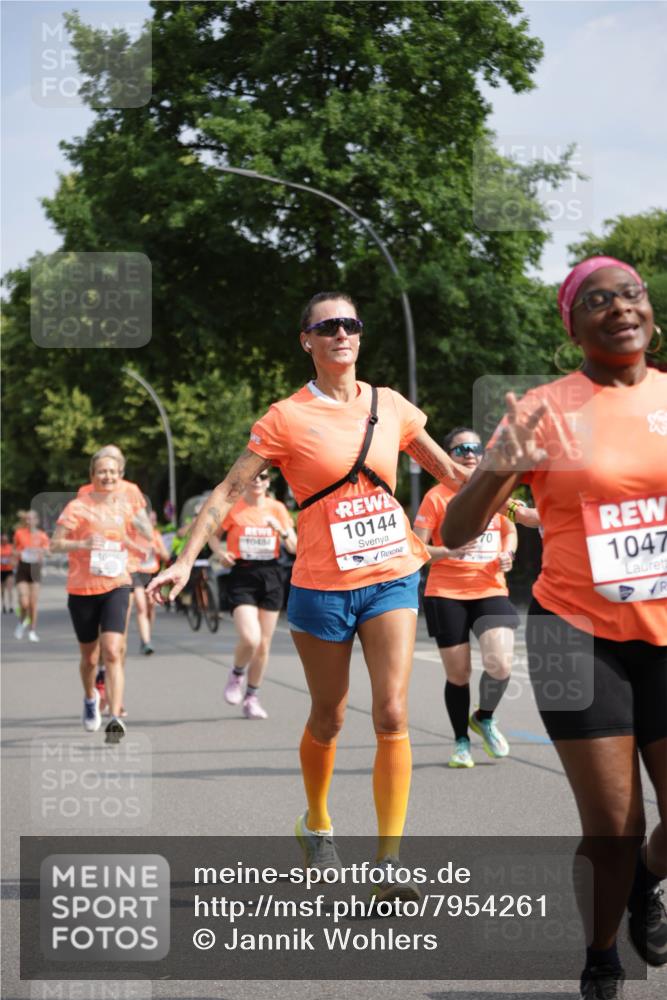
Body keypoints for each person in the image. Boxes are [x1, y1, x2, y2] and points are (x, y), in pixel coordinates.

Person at [148, 291, 470, 900]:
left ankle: (389, 864)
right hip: (322, 584)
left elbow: (453, 476)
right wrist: (185, 561)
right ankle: (317, 824)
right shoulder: (286, 417)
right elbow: (228, 490)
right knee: (330, 715)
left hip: (391, 573)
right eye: (328, 327)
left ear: (360, 335)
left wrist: (520, 504)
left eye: (350, 324)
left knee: (392, 712)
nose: (341, 333)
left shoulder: (391, 406)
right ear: (308, 341)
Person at [443, 257, 667, 998]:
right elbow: (456, 529)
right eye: (597, 301)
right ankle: (601, 958)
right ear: (573, 327)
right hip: (577, 635)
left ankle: (645, 880)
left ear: (649, 312)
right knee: (612, 827)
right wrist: (498, 465)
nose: (619, 307)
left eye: (630, 294)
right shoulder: (544, 411)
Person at [414, 427, 527, 768]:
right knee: (459, 674)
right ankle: (461, 741)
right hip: (446, 593)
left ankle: (484, 717)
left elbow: (510, 532)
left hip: (490, 587)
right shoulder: (436, 497)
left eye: (475, 448)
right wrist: (449, 551)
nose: (469, 454)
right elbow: (417, 548)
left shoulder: (495, 493)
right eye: (460, 449)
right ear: (447, 456)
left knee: (501, 664)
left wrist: (508, 553)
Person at [51, 448, 151, 743]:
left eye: (113, 472)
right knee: (89, 657)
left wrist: (140, 543)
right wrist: (82, 543)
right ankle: (90, 697)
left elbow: (138, 533)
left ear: (120, 475)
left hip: (117, 584)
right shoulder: (77, 507)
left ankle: (115, 717)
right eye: (102, 471)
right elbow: (55, 545)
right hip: (82, 588)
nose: (108, 476)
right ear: (92, 475)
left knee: (113, 650)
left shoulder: (126, 504)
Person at [211, 469, 297, 720]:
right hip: (242, 575)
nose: (258, 481)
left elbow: (295, 547)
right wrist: (220, 553)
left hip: (271, 575)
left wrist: (280, 530)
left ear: (269, 482)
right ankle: (237, 674)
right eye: (253, 477)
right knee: (251, 638)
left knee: (263, 644)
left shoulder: (277, 508)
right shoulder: (233, 508)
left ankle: (251, 697)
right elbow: (213, 537)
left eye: (263, 477)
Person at [78, 445, 150, 709]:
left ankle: (114, 696)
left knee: (117, 640)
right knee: (97, 638)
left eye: (116, 465)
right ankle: (100, 676)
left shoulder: (131, 491)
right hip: (94, 570)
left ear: (121, 469)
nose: (110, 473)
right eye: (105, 467)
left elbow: (146, 527)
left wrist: (132, 521)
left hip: (123, 569)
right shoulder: (85, 492)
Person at [133, 510, 170, 655]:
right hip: (136, 573)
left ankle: (147, 632)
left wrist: (157, 550)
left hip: (152, 574)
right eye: (151, 520)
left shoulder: (155, 535)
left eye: (155, 520)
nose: (154, 523)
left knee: (150, 607)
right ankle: (146, 641)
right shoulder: (133, 534)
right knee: (141, 607)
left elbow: (166, 556)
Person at [13, 510, 50, 641]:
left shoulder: (42, 535)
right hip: (22, 568)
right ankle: (21, 622)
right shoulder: (19, 533)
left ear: (36, 521)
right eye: (27, 519)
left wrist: (41, 551)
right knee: (24, 603)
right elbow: (14, 550)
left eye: (31, 518)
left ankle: (32, 630)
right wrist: (20, 553)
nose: (29, 521)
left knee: (33, 603)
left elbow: (48, 551)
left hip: (35, 569)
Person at [1, 533, 16, 614]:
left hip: (9, 570)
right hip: (1, 571)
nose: (4, 541)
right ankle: (3, 605)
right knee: (2, 589)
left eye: (6, 539)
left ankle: (11, 606)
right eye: (3, 540)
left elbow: (14, 557)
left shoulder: (10, 547)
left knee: (10, 589)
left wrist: (12, 562)